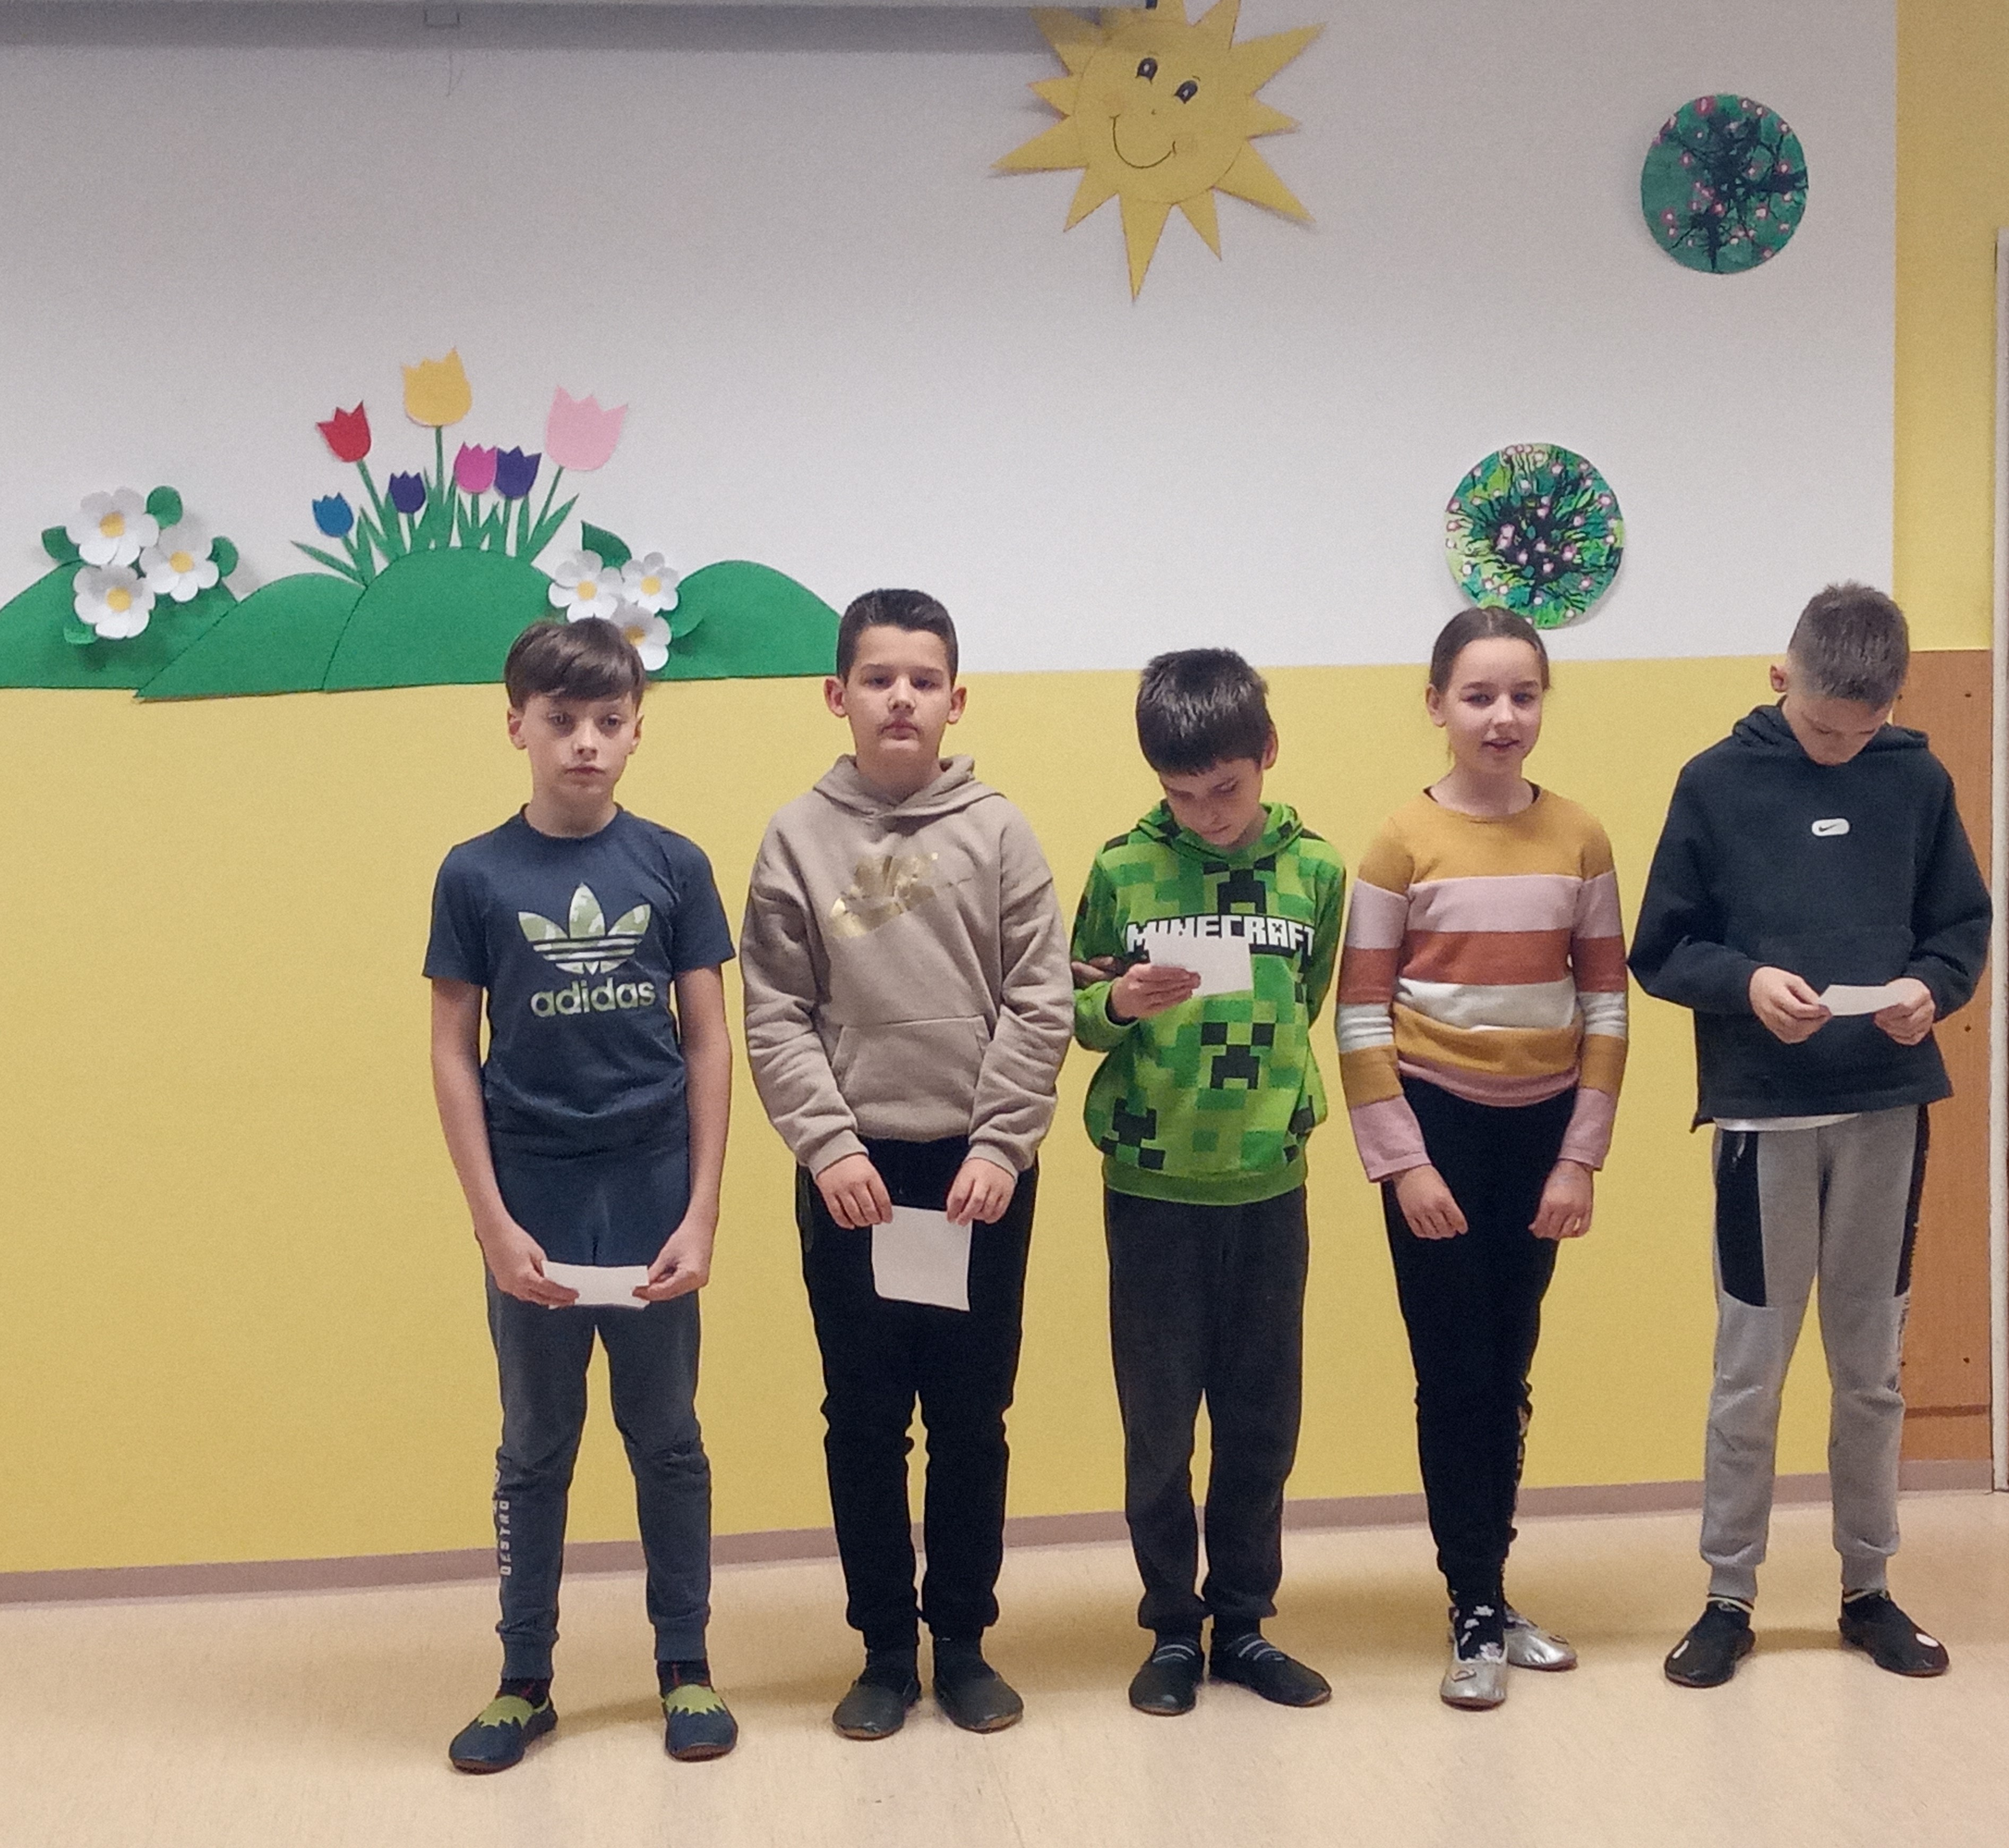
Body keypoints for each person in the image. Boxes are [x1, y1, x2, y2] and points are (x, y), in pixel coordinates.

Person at [1631, 582, 1989, 1688]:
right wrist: (1745, 984)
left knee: (1869, 1370)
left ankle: (1866, 1586)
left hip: (1886, 1111)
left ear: (1892, 703)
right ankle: (1727, 1594)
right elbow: (1662, 949)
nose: (1841, 749)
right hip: (1762, 1117)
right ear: (1780, 677)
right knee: (1750, 1371)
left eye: (1861, 732)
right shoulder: (1713, 782)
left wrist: (1930, 989)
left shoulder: (1916, 778)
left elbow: (1960, 927)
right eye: (1824, 729)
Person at [740, 588, 1072, 1740]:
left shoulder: (1000, 832)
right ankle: (885, 1651)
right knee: (866, 1421)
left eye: (923, 681)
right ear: (837, 695)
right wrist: (828, 1146)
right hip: (857, 1179)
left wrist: (1001, 1144)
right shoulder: (795, 838)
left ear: (954, 700)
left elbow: (1040, 1000)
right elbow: (775, 1011)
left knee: (973, 1420)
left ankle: (964, 1643)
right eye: (878, 679)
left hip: (980, 1178)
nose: (901, 699)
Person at [426, 617, 739, 1772]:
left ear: (637, 731)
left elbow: (708, 1044)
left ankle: (685, 1666)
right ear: (518, 726)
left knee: (668, 1441)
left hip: (651, 1187)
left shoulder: (675, 866)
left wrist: (701, 1209)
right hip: (535, 1197)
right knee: (534, 1447)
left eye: (610, 721)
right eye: (562, 721)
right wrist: (492, 1223)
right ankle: (524, 1679)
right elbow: (452, 1052)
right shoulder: (474, 874)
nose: (586, 743)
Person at [1335, 608, 1627, 1710]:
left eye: (1522, 695)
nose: (1503, 717)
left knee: (1508, 1370)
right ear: (1436, 705)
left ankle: (1494, 1592)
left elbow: (1606, 1006)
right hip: (1435, 1130)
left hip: (1539, 1135)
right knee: (1454, 1372)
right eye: (1478, 696)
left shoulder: (1582, 838)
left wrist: (1579, 1157)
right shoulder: (1398, 843)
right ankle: (1468, 1603)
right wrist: (1402, 1163)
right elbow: (1360, 1014)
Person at [1069, 648, 1344, 1718]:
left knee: (1261, 1422)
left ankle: (1244, 1624)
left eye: (1224, 789)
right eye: (1181, 796)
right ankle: (1172, 1629)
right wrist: (1119, 1005)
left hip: (1266, 1185)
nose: (1207, 814)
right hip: (1152, 1189)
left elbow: (1305, 1000)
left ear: (1266, 752)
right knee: (1157, 1427)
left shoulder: (1316, 871)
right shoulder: (1121, 872)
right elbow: (1075, 1008)